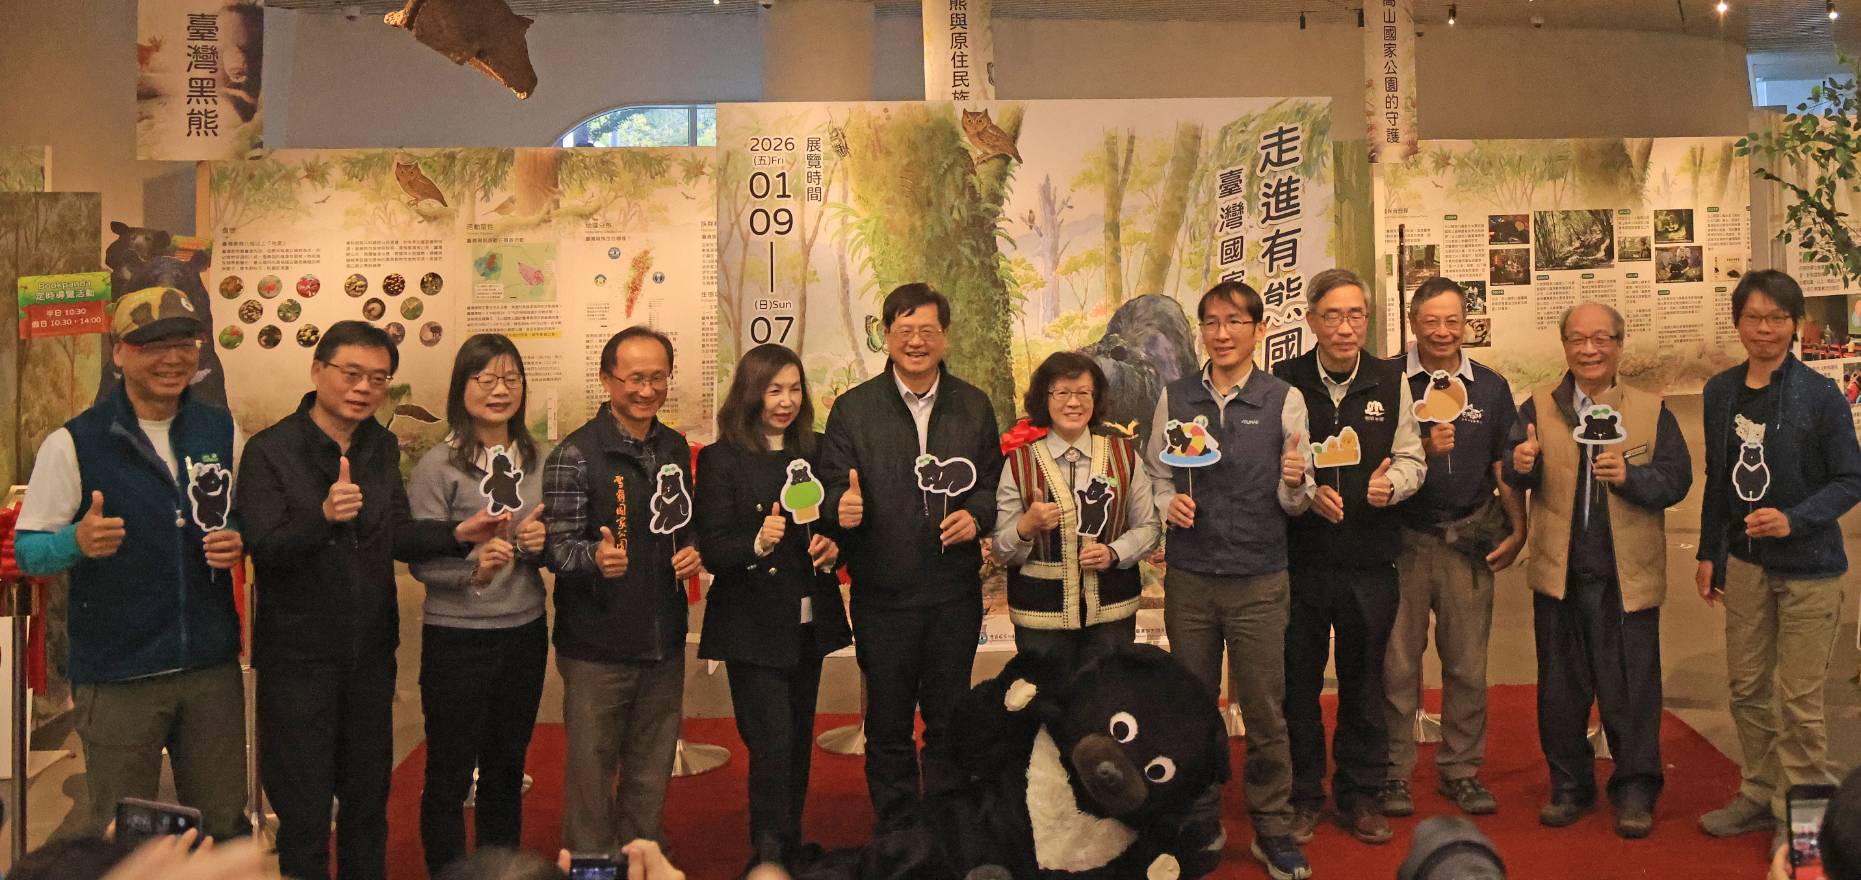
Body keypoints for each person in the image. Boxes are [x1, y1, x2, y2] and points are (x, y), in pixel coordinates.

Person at [237, 320, 501, 879]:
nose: (364, 388)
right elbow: (264, 547)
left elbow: (396, 532)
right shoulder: (270, 451)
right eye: (352, 374)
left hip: (370, 658)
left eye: (378, 379)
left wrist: (457, 534)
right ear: (318, 371)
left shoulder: (378, 446)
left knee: (366, 807)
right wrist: (323, 516)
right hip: (298, 662)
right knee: (305, 816)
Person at [13, 287, 248, 839]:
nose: (172, 358)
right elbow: (29, 551)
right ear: (118, 352)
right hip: (118, 674)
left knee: (222, 824)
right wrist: (75, 541)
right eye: (152, 345)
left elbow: (241, 516)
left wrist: (238, 537)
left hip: (210, 669)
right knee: (126, 836)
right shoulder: (74, 442)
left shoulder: (221, 430)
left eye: (184, 343)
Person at [818, 282, 1003, 834]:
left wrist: (978, 516)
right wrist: (839, 504)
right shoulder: (854, 409)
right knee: (888, 725)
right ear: (886, 335)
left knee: (949, 720)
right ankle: (898, 833)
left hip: (953, 595)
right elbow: (830, 485)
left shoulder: (973, 404)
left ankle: (945, 830)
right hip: (883, 596)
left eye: (927, 330)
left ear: (945, 336)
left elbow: (992, 484)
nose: (916, 341)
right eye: (904, 330)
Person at [1143, 281, 1313, 880]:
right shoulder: (1176, 397)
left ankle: (1272, 826)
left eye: (1236, 321)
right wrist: (1167, 503)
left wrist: (1294, 481)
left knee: (1265, 710)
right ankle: (1199, 820)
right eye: (1212, 322)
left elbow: (1298, 501)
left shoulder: (1283, 399)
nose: (1222, 334)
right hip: (1191, 579)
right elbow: (1155, 474)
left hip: (1259, 579)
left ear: (1259, 330)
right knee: (1192, 707)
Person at [1502, 302, 1692, 839]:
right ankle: (1569, 787)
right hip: (1559, 573)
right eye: (1578, 340)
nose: (1589, 350)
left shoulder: (1652, 411)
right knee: (1560, 691)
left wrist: (1630, 477)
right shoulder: (1538, 406)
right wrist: (1522, 463)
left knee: (1631, 691)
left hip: (1626, 577)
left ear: (1619, 345)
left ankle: (1635, 790)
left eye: (1601, 339)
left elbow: (1676, 480)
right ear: (1565, 346)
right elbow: (1514, 467)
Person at [1697, 271, 1861, 847]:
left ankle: (1803, 818)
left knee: (1799, 702)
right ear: (1737, 322)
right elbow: (1718, 479)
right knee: (1746, 688)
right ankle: (1760, 791)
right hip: (1744, 565)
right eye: (1753, 318)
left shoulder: (1818, 395)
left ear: (1794, 325)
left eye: (1777, 319)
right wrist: (1708, 551)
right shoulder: (1720, 392)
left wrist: (1796, 518)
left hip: (1811, 568)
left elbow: (1850, 479)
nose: (1764, 329)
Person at [1272, 268, 1426, 847]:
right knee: (1298, 683)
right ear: (1312, 321)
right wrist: (1308, 494)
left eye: (1355, 315)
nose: (1344, 327)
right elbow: (1276, 464)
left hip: (1371, 561)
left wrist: (1394, 486)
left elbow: (1412, 459)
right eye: (1332, 315)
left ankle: (1360, 794)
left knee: (1365, 683)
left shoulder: (1390, 380)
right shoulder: (1285, 382)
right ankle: (1304, 794)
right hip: (1302, 561)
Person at [544, 326, 704, 855]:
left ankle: (641, 861)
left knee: (650, 774)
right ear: (607, 379)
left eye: (658, 377)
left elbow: (685, 525)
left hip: (663, 639)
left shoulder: (674, 446)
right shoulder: (575, 453)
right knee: (590, 778)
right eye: (635, 378)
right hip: (597, 646)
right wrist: (593, 557)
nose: (647, 390)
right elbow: (555, 548)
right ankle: (591, 867)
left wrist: (694, 550)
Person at [696, 343, 851, 870]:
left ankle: (789, 844)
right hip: (751, 624)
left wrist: (832, 547)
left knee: (798, 738)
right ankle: (766, 856)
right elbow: (714, 547)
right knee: (771, 743)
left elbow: (837, 526)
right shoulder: (721, 459)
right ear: (750, 394)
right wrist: (756, 543)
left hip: (807, 621)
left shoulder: (819, 450)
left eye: (794, 389)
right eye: (773, 390)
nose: (786, 401)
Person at [1379, 278, 1526, 819]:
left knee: (1466, 664)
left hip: (1468, 541)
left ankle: (1461, 770)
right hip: (1401, 543)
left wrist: (1519, 528)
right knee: (1397, 666)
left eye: (1452, 321)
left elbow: (1502, 465)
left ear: (1467, 324)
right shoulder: (1386, 380)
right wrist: (1423, 446)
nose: (1442, 332)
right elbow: (1372, 462)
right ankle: (1394, 773)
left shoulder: (1490, 387)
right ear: (1413, 322)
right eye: (1431, 321)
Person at [408, 334, 552, 874]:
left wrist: (540, 546)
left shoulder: (541, 459)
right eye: (485, 379)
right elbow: (421, 561)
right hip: (457, 636)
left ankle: (500, 870)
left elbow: (560, 541)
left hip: (524, 630)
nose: (499, 390)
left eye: (511, 379)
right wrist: (474, 570)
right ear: (461, 388)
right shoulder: (437, 466)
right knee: (448, 771)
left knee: (506, 768)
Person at [994, 351, 1158, 669]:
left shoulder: (1124, 457)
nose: (1074, 402)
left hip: (1111, 618)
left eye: (1083, 393)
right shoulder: (1019, 463)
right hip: (1040, 621)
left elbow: (1148, 528)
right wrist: (1025, 527)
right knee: (1046, 697)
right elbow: (1001, 551)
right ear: (1044, 398)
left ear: (1096, 399)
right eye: (1062, 393)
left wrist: (1114, 552)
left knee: (1106, 696)